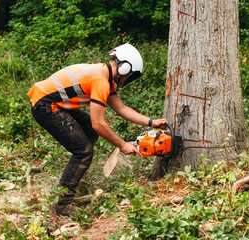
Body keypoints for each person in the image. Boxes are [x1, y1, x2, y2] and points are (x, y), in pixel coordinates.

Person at [27, 43, 167, 216]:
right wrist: (122, 144)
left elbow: (121, 109)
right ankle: (62, 204)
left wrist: (151, 122)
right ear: (124, 67)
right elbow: (98, 123)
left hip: (52, 102)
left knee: (88, 136)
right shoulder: (101, 81)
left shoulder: (104, 76)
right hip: (46, 105)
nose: (128, 80)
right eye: (130, 76)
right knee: (83, 151)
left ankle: (75, 173)